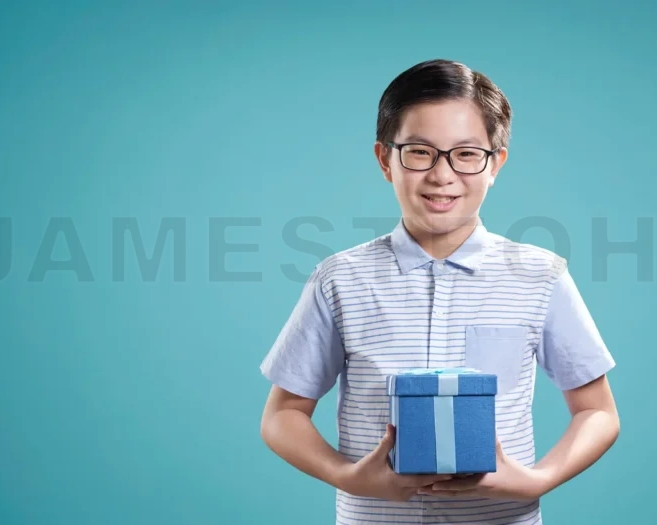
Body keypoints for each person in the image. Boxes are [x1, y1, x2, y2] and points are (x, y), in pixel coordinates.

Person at [259, 58, 620, 524]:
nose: (442, 175)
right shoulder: (339, 279)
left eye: (467, 153)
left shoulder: (540, 276)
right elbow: (283, 414)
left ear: (496, 164)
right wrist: (350, 477)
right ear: (385, 159)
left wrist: (538, 479)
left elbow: (597, 412)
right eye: (419, 151)